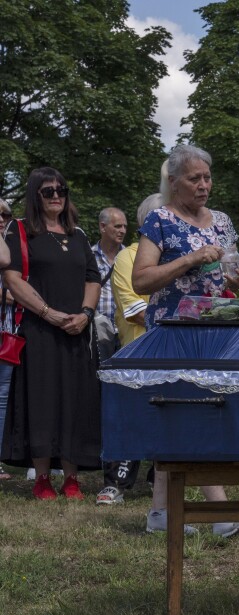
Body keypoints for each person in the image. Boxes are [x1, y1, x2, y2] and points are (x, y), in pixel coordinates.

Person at [132, 145, 239, 537]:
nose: (204, 185)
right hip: (174, 333)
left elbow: (235, 273)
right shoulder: (159, 220)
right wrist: (189, 259)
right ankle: (220, 512)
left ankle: (160, 514)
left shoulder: (223, 221)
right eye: (195, 178)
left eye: (207, 177)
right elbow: (141, 280)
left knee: (182, 415)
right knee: (189, 412)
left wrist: (236, 280)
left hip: (216, 330)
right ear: (173, 181)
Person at [0, 167, 100, 500]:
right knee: (41, 401)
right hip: (38, 329)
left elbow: (92, 278)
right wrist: (48, 313)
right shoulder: (21, 230)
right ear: (35, 195)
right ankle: (42, 478)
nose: (56, 195)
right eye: (48, 191)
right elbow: (13, 278)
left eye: (61, 189)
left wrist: (84, 314)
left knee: (74, 400)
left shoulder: (79, 235)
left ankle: (72, 478)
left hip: (75, 329)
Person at [94, 194, 164, 505]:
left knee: (167, 417)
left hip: (174, 352)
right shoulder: (128, 257)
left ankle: (159, 480)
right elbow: (135, 309)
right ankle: (117, 483)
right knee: (131, 417)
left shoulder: (177, 256)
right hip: (139, 352)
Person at [91, 207, 127, 360]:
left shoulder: (130, 258)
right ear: (102, 227)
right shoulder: (88, 256)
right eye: (118, 226)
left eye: (125, 226)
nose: (123, 231)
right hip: (99, 331)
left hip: (126, 330)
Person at [0, 199, 13, 481]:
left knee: (2, 397)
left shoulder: (9, 241)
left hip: (7, 331)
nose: (2, 219)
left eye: (5, 215)